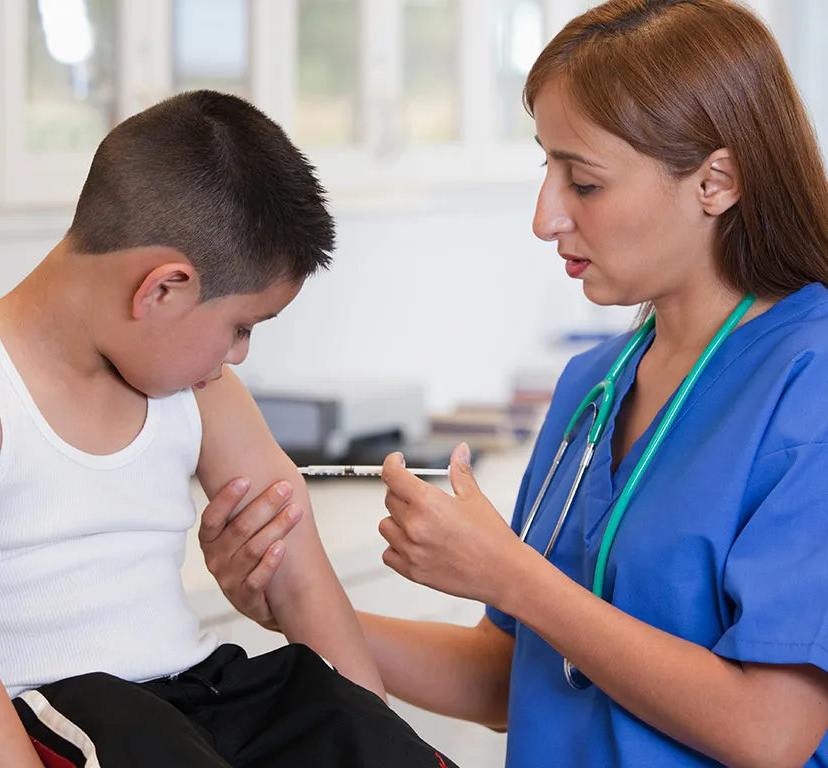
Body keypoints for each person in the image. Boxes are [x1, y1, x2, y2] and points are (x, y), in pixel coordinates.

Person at [200, 1, 828, 766]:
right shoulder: (593, 388)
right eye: (547, 166)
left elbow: (774, 733)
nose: (545, 217)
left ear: (715, 182)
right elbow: (510, 679)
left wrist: (513, 575)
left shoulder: (809, 382)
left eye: (584, 182)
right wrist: (297, 608)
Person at [0, 91, 459, 768]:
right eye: (240, 328)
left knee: (338, 711)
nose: (237, 357)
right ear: (162, 290)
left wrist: (379, 744)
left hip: (194, 697)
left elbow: (298, 574)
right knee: (135, 730)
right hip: (45, 712)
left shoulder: (200, 389)